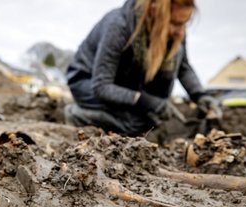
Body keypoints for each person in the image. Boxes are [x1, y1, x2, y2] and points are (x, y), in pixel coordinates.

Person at [64, 0, 221, 136]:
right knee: (135, 123)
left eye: (184, 24)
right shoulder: (119, 26)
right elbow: (102, 86)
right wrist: (149, 102)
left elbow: (183, 67)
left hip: (122, 84)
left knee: (148, 120)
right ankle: (77, 115)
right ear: (154, 11)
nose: (181, 31)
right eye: (175, 23)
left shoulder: (176, 32)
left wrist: (200, 96)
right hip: (86, 84)